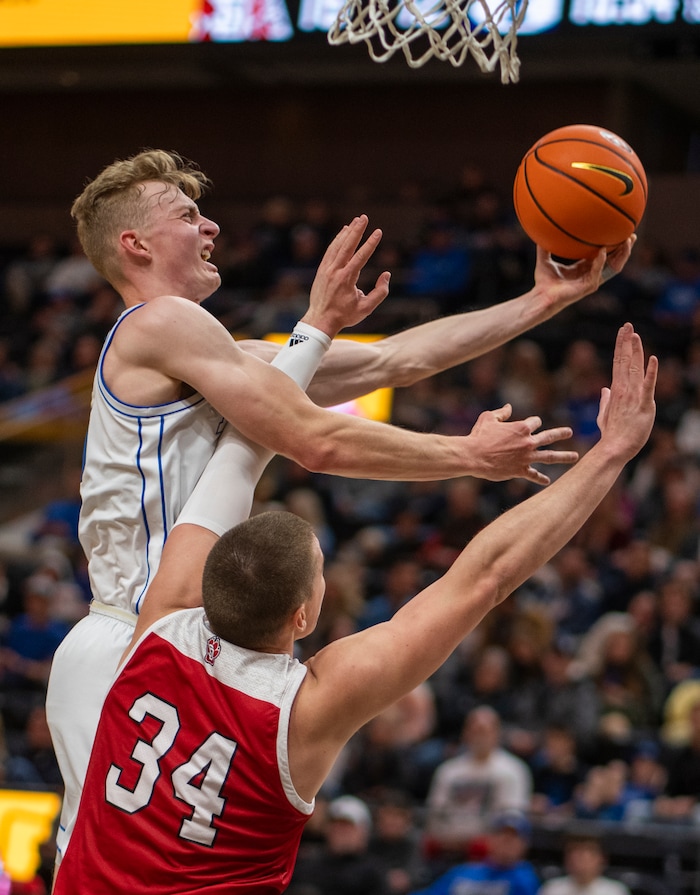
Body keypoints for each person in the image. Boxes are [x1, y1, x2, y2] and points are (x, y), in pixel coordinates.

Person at [45, 148, 631, 862]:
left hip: (182, 638)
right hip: (139, 637)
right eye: (188, 214)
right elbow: (308, 439)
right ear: (134, 243)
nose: (213, 226)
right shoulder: (161, 324)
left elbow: (396, 362)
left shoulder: (209, 349)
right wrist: (467, 457)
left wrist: (544, 299)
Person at [52, 322, 657, 893]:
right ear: (303, 617)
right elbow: (486, 576)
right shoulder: (302, 710)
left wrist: (317, 325)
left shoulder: (161, 620)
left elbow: (240, 450)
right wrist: (611, 453)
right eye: (320, 578)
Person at [410, 810, 540, 895]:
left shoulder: (525, 878)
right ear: (489, 839)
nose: (506, 841)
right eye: (501, 835)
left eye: (513, 837)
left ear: (524, 845)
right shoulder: (462, 871)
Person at [538, 835, 632, 895]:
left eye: (585, 856)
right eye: (574, 854)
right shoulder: (551, 889)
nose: (578, 861)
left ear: (601, 859)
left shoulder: (615, 891)